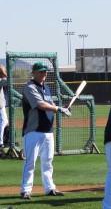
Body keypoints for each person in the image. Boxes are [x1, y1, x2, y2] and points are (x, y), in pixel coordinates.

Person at [20, 62, 72, 199]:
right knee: (30, 162)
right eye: (41, 71)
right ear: (34, 73)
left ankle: (49, 188)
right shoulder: (29, 87)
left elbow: (51, 104)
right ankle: (25, 190)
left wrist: (62, 108)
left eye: (45, 71)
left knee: (48, 162)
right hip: (33, 132)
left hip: (48, 131)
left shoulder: (47, 88)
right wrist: (59, 109)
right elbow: (41, 105)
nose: (44, 74)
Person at [0, 65, 8, 150]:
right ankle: (1, 142)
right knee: (3, 122)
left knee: (5, 121)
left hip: (1, 106)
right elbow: (9, 81)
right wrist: (4, 72)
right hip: (0, 106)